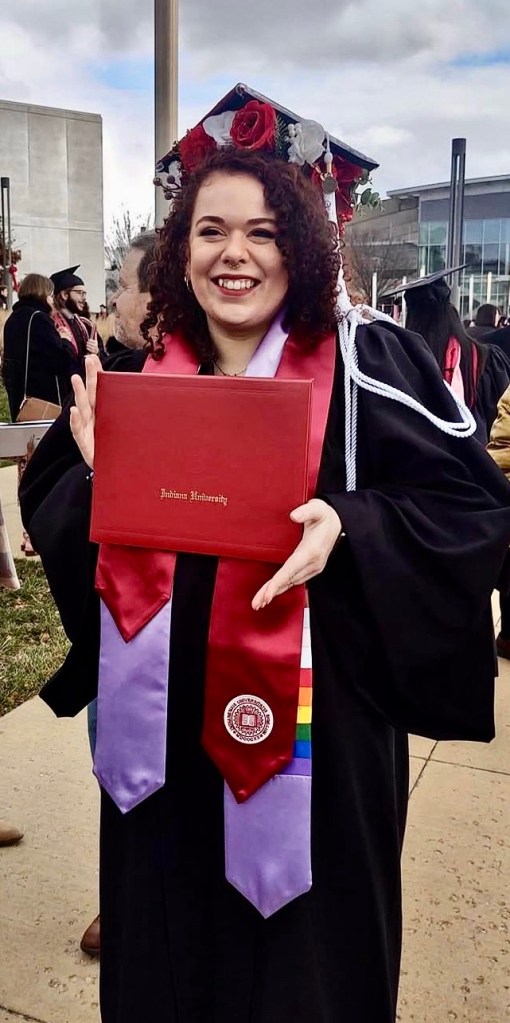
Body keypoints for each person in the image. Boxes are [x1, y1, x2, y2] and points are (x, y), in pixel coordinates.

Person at [19, 122, 510, 1022]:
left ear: (301, 243)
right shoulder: (140, 373)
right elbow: (55, 502)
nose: (233, 255)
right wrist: (97, 478)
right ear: (182, 249)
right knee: (168, 961)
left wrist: (353, 525)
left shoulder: (370, 366)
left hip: (315, 746)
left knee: (305, 974)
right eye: (210, 231)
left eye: (262, 232)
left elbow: (473, 509)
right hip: (161, 751)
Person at [79, 228, 159, 959]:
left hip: (180, 630)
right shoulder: (113, 375)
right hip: (122, 622)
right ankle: (121, 895)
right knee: (123, 762)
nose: (116, 300)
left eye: (124, 285)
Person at [2, 273, 82, 554]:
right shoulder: (39, 320)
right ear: (42, 293)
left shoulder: (13, 321)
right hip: (44, 402)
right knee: (45, 467)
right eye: (49, 293)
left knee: (26, 467)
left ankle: (27, 534)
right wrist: (63, 341)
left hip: (22, 402)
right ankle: (38, 531)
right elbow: (62, 359)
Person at [381, 269, 510, 442]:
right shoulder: (485, 358)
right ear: (451, 312)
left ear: (412, 317)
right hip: (478, 461)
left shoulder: (398, 360)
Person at [51, 266, 102, 363]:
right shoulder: (51, 323)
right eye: (80, 293)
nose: (84, 298)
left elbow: (104, 358)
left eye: (85, 294)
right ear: (64, 294)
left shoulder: (86, 325)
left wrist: (97, 352)